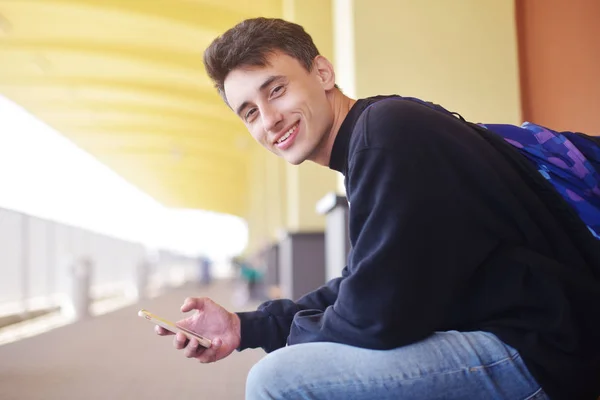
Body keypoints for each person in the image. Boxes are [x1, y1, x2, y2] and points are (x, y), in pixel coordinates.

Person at [154, 17, 600, 399]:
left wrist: (293, 339)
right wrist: (244, 327)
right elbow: (363, 287)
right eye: (249, 112)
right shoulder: (376, 136)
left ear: (322, 73)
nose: (269, 119)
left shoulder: (387, 137)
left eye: (276, 90)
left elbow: (377, 316)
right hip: (525, 338)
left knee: (281, 382)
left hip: (540, 355)